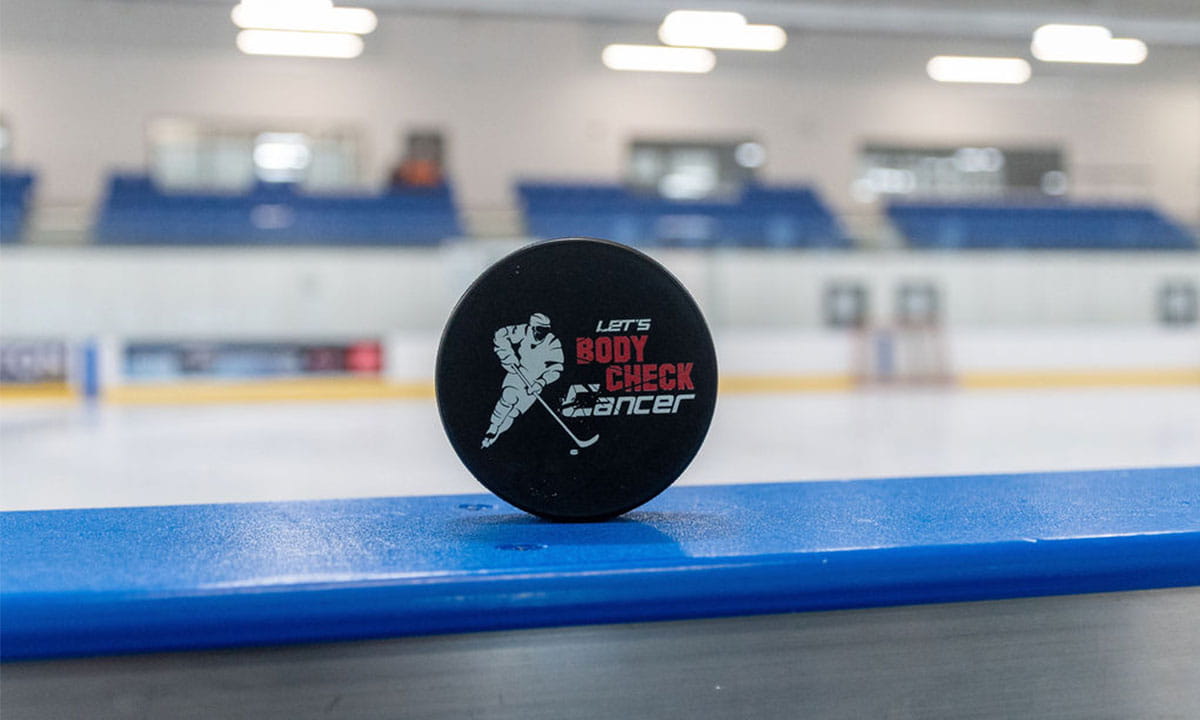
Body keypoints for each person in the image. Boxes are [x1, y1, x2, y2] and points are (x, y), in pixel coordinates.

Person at [482, 313, 563, 448]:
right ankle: (493, 426)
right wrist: (507, 356)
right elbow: (500, 335)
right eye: (539, 329)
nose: (542, 334)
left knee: (514, 413)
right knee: (508, 397)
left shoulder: (553, 343)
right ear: (532, 327)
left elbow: (556, 368)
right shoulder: (523, 331)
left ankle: (494, 437)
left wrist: (541, 383)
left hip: (534, 383)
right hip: (518, 373)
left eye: (546, 330)